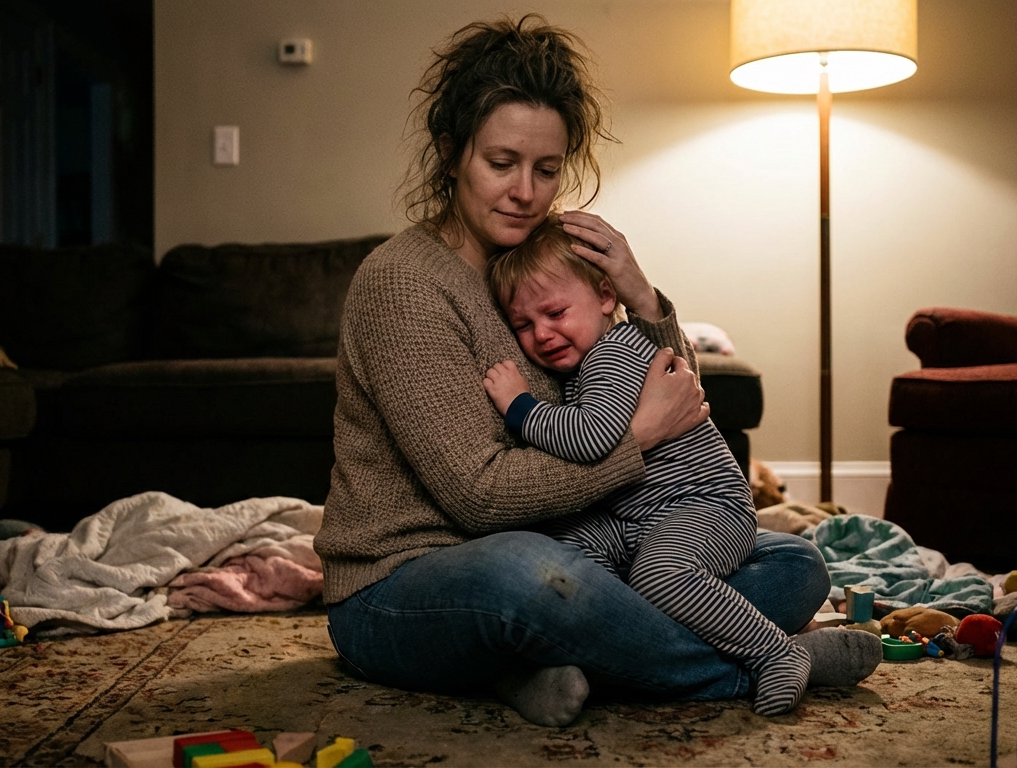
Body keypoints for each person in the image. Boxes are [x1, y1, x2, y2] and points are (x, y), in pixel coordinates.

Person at [313, 14, 881, 728]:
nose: (525, 191)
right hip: (406, 587)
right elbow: (479, 500)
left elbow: (677, 397)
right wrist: (635, 440)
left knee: (793, 564)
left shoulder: (534, 269)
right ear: (452, 153)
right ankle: (754, 663)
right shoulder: (403, 283)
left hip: (578, 551)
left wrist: (643, 299)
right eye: (501, 163)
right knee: (532, 574)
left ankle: (534, 670)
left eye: (546, 170)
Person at [482, 217, 811, 716]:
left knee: (661, 577)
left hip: (704, 507)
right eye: (523, 325)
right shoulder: (585, 361)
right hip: (635, 518)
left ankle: (774, 653)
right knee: (571, 561)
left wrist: (519, 405)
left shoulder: (614, 352)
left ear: (605, 296)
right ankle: (604, 660)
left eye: (555, 312)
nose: (542, 334)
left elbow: (590, 438)